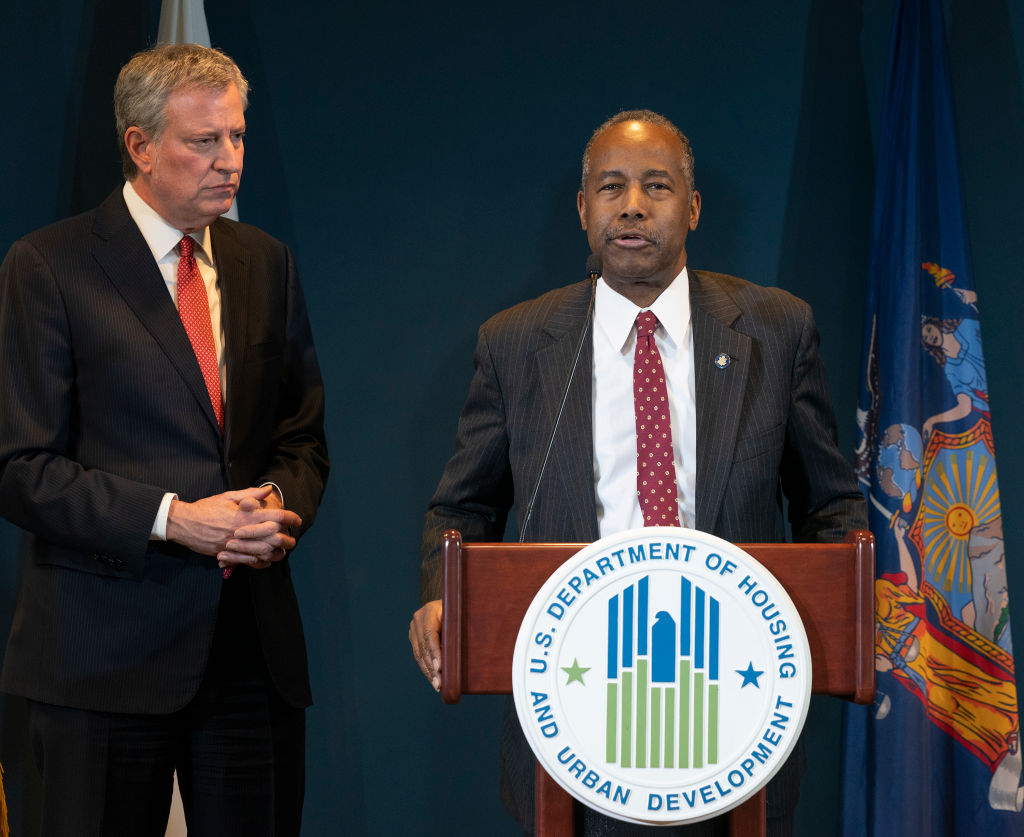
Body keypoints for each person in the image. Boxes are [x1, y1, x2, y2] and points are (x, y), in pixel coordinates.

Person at [409, 110, 866, 836]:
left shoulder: (776, 329)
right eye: (610, 187)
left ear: (693, 207)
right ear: (582, 207)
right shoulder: (516, 342)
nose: (631, 206)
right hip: (576, 699)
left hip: (737, 697)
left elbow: (831, 504)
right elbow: (462, 509)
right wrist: (442, 596)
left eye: (656, 186)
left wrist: (846, 600)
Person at [0, 44, 328, 836]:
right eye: (204, 140)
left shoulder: (265, 262)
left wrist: (270, 506)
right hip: (99, 660)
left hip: (248, 656)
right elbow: (20, 466)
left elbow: (302, 435)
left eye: (237, 136)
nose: (230, 160)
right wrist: (175, 518)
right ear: (140, 146)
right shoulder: (49, 265)